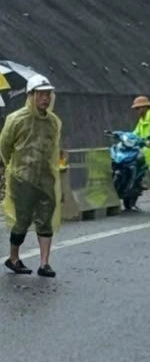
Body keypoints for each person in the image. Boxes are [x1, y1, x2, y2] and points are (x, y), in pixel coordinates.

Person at [1, 74, 63, 277]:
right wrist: (10, 169)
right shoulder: (16, 119)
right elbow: (4, 147)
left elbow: (54, 148)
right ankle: (13, 258)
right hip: (22, 178)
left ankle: (44, 263)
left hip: (46, 178)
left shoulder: (53, 122)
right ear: (31, 95)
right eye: (41, 94)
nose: (45, 98)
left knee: (45, 218)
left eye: (48, 94)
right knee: (23, 219)